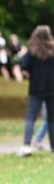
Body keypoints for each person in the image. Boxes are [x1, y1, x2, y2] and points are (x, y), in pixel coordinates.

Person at [17, 25, 54, 156]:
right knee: (51, 119)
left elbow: (25, 70)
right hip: (52, 89)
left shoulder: (31, 52)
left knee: (31, 118)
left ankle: (26, 145)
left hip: (36, 89)